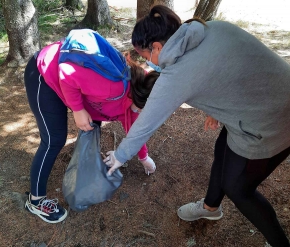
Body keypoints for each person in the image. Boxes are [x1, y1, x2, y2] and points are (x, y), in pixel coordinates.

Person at [104, 5, 290, 247]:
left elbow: (146, 123)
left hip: (270, 123)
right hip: (274, 99)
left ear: (157, 47)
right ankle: (210, 207)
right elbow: (238, 69)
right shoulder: (211, 28)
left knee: (238, 189)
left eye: (145, 56)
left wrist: (119, 156)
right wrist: (217, 109)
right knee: (222, 151)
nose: (147, 62)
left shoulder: (177, 74)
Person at [23, 33, 157, 224]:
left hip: (67, 81)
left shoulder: (138, 95)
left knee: (93, 123)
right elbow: (68, 74)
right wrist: (77, 109)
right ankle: (35, 201)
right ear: (141, 101)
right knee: (54, 140)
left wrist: (144, 158)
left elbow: (134, 129)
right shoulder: (115, 88)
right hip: (45, 74)